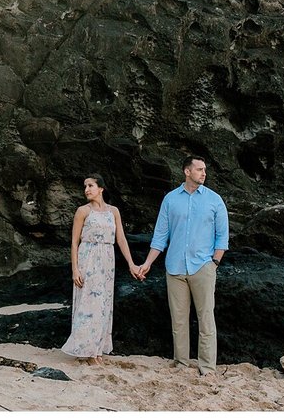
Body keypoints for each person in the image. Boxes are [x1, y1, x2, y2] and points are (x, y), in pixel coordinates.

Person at [137, 155, 229, 375]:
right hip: (175, 267)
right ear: (187, 171)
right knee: (178, 320)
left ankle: (207, 368)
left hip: (203, 266)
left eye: (205, 170)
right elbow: (160, 236)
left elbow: (222, 237)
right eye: (199, 169)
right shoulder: (170, 199)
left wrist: (214, 262)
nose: (203, 173)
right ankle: (181, 363)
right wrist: (147, 263)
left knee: (206, 320)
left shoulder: (214, 200)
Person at [61, 173, 141, 365]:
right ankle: (86, 351)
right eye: (85, 186)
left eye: (91, 185)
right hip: (87, 258)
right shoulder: (83, 211)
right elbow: (74, 242)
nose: (87, 189)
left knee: (103, 305)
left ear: (101, 189)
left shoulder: (113, 211)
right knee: (88, 304)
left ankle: (97, 350)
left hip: (107, 259)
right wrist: (75, 269)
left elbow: (121, 239)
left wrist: (131, 263)